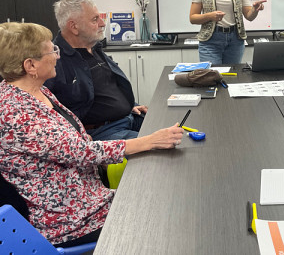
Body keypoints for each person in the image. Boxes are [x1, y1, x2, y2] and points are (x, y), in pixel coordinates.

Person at [0, 22, 184, 247]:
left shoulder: (39, 91)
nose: (58, 56)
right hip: (68, 219)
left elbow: (75, 139)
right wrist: (149, 141)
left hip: (86, 197)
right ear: (30, 65)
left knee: (162, 193)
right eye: (52, 51)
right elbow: (79, 151)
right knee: (165, 213)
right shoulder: (16, 111)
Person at [44, 0, 145, 141]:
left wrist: (130, 105)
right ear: (73, 26)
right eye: (95, 19)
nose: (102, 24)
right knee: (159, 151)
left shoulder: (94, 48)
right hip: (102, 131)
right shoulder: (55, 61)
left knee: (175, 130)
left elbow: (108, 87)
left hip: (128, 117)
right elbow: (48, 110)